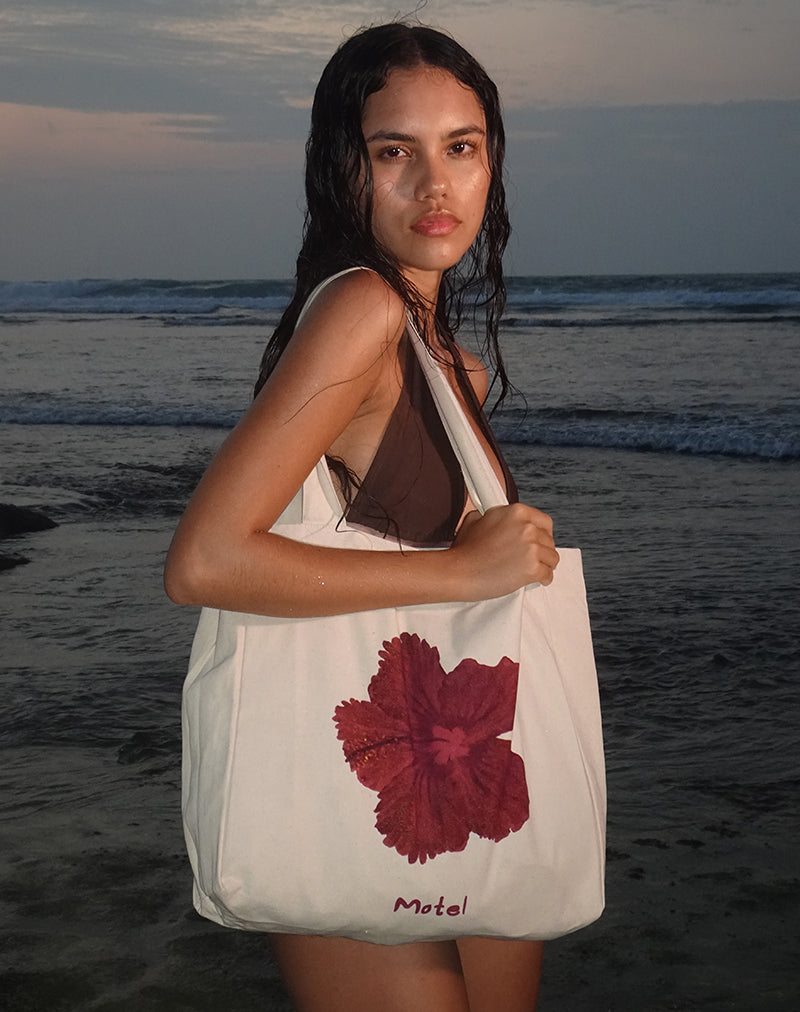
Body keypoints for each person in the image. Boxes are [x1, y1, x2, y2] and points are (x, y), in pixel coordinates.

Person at [165, 21, 559, 1012]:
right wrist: (458, 573)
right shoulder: (362, 311)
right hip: (356, 788)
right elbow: (205, 560)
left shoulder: (445, 355)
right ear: (346, 170)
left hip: (452, 765)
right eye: (395, 152)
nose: (435, 186)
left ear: (491, 163)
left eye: (460, 148)